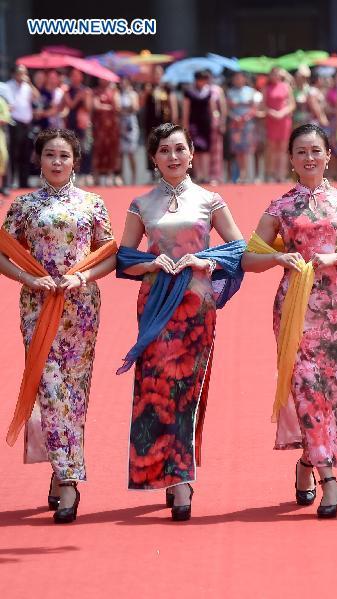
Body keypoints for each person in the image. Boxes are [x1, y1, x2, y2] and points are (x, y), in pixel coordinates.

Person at [242, 124, 337, 518]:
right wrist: (278, 258)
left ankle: (307, 461)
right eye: (301, 152)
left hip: (335, 308)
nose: (309, 158)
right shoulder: (280, 207)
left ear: (329, 155)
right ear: (292, 160)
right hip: (294, 306)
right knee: (304, 383)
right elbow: (250, 258)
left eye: (316, 150)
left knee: (331, 390)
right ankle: (329, 477)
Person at [117, 123, 245, 521]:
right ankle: (164, 473)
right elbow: (123, 257)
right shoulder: (142, 204)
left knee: (187, 388)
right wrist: (151, 262)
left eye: (179, 149)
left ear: (192, 154)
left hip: (195, 304)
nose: (173, 157)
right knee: (155, 385)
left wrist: (206, 261)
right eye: (164, 151)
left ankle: (182, 478)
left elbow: (240, 248)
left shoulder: (210, 201)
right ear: (153, 159)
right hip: (155, 303)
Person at [0, 129, 117, 523]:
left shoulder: (92, 204)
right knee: (49, 387)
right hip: (38, 304)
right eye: (49, 155)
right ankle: (70, 478)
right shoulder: (24, 206)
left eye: (64, 156)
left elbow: (109, 254)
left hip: (80, 306)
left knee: (75, 389)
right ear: (38, 160)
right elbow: (4, 251)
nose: (56, 162)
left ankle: (58, 469)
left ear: (75, 161)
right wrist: (30, 279)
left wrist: (83, 277)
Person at [7, 65, 38, 189]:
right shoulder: (8, 86)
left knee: (26, 153)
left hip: (27, 124)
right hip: (14, 123)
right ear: (14, 74)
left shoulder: (27, 87)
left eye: (25, 73)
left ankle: (23, 181)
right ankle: (12, 180)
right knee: (14, 153)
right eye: (20, 73)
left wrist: (30, 83)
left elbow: (37, 96)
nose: (23, 75)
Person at [226, 71, 259, 183]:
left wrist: (246, 117)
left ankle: (251, 175)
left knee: (249, 149)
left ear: (244, 79)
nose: (238, 80)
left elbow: (254, 108)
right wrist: (235, 117)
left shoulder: (251, 91)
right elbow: (227, 109)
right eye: (236, 78)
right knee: (238, 149)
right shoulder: (230, 92)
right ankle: (242, 174)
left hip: (248, 124)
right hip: (235, 124)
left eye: (240, 78)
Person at [91, 79, 121, 186]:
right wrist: (108, 107)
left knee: (111, 150)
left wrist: (113, 94)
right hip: (99, 126)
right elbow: (95, 106)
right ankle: (97, 176)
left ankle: (110, 175)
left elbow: (117, 107)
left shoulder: (114, 92)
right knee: (98, 149)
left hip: (111, 126)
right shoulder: (95, 92)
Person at [119, 78, 141, 185]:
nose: (123, 83)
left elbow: (135, 107)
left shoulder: (132, 94)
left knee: (131, 152)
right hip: (121, 124)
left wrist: (123, 110)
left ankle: (133, 179)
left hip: (131, 124)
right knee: (121, 153)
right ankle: (122, 178)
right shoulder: (118, 93)